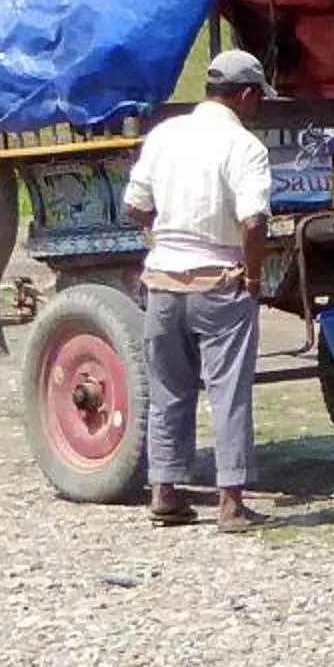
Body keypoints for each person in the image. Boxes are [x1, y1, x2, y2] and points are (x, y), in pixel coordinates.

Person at [123, 48, 274, 533]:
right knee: (229, 391)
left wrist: (162, 237)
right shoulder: (245, 146)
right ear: (246, 95)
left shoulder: (164, 135)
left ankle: (164, 492)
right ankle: (231, 504)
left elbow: (134, 206)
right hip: (220, 281)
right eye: (257, 98)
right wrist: (254, 277)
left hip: (163, 282)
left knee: (169, 389)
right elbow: (254, 221)